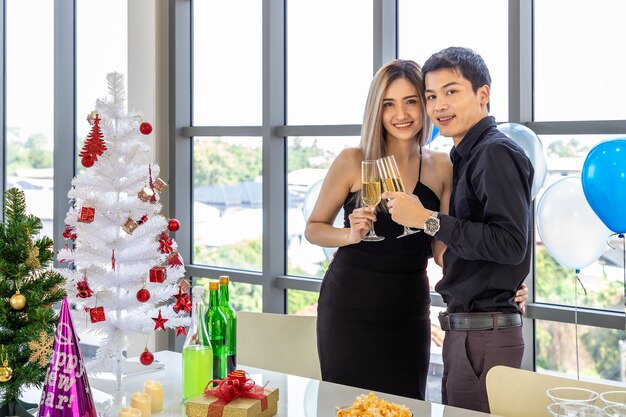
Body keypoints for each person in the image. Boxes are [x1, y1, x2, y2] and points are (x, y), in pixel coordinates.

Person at [384, 47, 534, 412]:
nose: (439, 106)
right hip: (473, 330)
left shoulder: (493, 153)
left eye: (451, 91)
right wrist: (502, 280)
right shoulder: (467, 155)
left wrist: (426, 219)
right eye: (432, 96)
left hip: (482, 335)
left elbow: (511, 243)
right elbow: (501, 247)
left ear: (483, 95)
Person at [305, 59, 451, 400]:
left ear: (425, 104)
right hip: (349, 308)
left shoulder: (442, 167)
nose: (401, 113)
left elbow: (444, 252)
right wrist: (348, 235)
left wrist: (499, 285)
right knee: (346, 405)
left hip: (408, 309)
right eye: (389, 104)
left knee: (406, 404)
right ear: (377, 110)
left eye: (411, 101)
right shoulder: (352, 160)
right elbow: (314, 228)